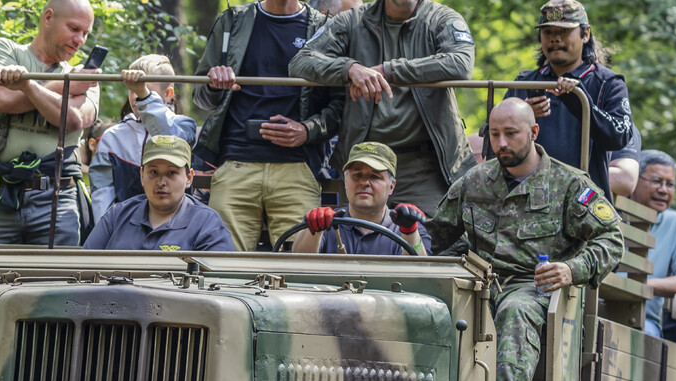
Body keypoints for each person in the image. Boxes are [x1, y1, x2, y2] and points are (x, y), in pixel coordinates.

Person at [430, 98, 623, 381]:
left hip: (535, 288)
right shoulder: (474, 182)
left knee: (516, 310)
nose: (501, 144)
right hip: (478, 284)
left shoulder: (569, 185)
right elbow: (436, 235)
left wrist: (571, 269)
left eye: (511, 134)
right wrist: (463, 262)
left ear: (533, 133)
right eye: (495, 135)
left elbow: (612, 239)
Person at [289, 0, 475, 215]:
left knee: (432, 243)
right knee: (356, 240)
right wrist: (350, 69)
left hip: (424, 166)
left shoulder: (441, 18)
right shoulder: (352, 20)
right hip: (362, 163)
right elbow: (300, 62)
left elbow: (461, 63)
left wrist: (389, 71)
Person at [195, 0, 344, 251]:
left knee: (300, 270)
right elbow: (200, 95)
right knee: (222, 262)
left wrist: (307, 130)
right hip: (236, 163)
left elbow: (341, 105)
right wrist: (213, 83)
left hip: (298, 166)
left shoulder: (324, 28)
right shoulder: (232, 21)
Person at [0, 0, 101, 246]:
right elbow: (2, 100)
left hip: (59, 198)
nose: (80, 40)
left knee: (59, 280)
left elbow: (73, 119)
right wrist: (63, 86)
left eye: (85, 33)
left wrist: (27, 85)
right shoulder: (5, 51)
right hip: (1, 192)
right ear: (48, 17)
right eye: (74, 29)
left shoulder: (84, 75)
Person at [498, 0, 635, 197]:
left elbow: (619, 137)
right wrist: (521, 116)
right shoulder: (524, 82)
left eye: (563, 31)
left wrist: (580, 102)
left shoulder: (608, 83)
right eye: (548, 32)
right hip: (525, 201)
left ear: (585, 34)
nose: (554, 39)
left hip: (583, 202)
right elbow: (491, 139)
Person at [90, 55, 199, 219]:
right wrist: (107, 231)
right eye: (132, 89)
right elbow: (102, 193)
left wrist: (144, 96)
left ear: (168, 93)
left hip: (174, 227)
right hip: (124, 228)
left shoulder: (184, 126)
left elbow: (169, 139)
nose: (136, 96)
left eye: (145, 89)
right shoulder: (112, 137)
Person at [83, 136, 237, 252]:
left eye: (171, 173)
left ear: (189, 178)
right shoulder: (116, 216)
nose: (161, 182)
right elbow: (83, 268)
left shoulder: (207, 225)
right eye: (154, 172)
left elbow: (217, 283)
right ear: (142, 175)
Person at [294, 142, 433, 255]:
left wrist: (409, 232)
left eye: (375, 176)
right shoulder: (326, 223)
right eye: (357, 175)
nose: (364, 182)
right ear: (345, 181)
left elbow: (421, 275)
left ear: (391, 186)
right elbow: (297, 267)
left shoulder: (407, 229)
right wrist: (313, 229)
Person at [629, 150, 676, 339]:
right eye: (656, 181)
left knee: (644, 336)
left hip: (643, 321)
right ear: (634, 179)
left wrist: (642, 285)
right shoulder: (609, 211)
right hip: (594, 309)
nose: (664, 190)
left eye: (670, 184)